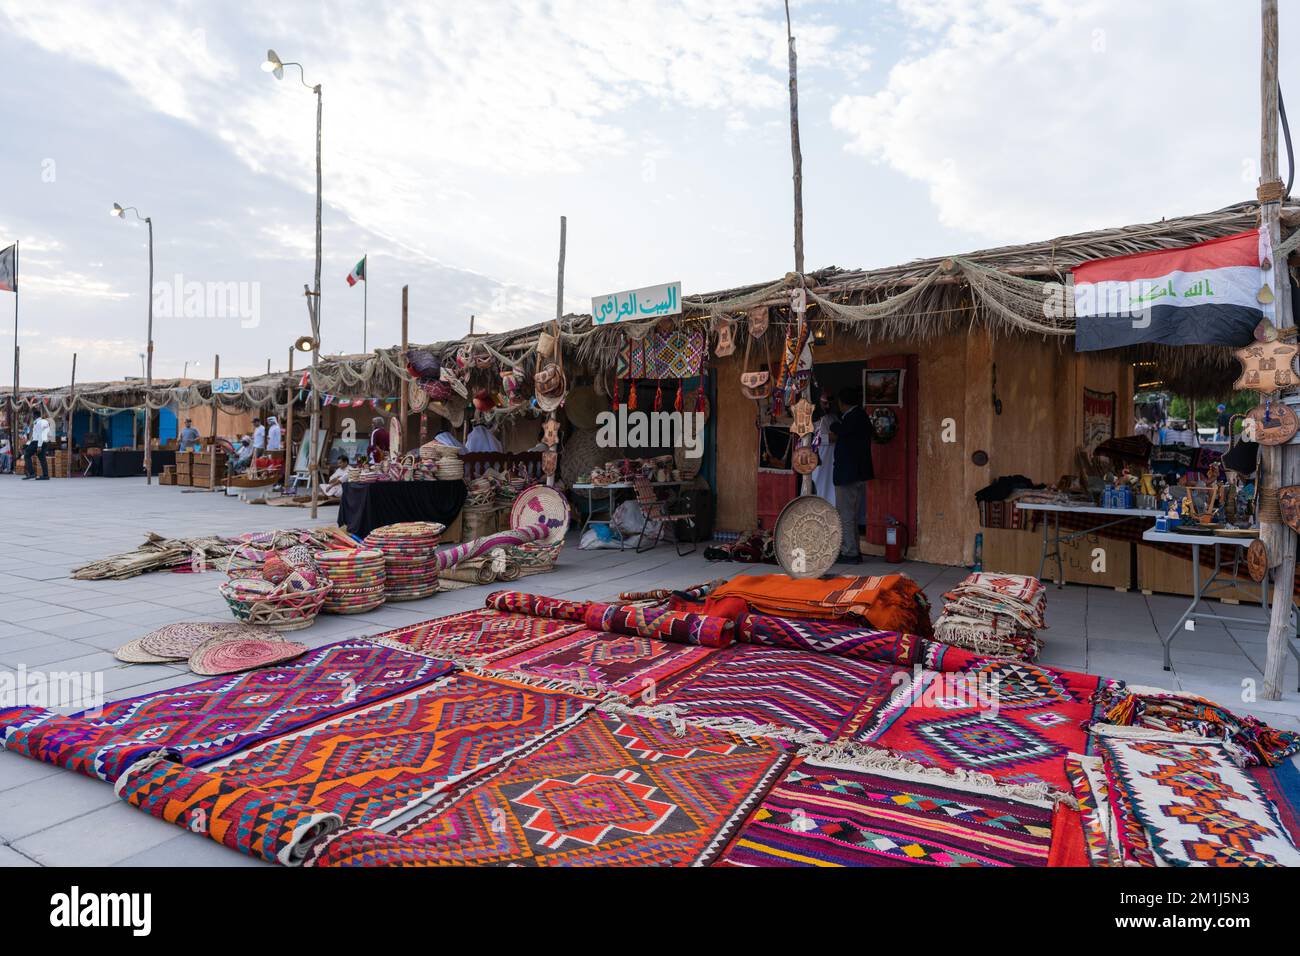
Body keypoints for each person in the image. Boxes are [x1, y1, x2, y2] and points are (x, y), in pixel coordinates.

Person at [829, 386, 875, 563]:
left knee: (846, 515)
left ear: (842, 403)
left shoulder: (853, 418)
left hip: (848, 474)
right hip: (857, 473)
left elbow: (839, 429)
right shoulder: (861, 416)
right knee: (851, 514)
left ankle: (850, 552)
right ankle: (853, 548)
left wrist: (833, 421)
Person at [811, 388, 838, 508]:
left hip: (832, 460)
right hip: (819, 458)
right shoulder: (812, 418)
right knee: (818, 486)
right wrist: (829, 438)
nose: (827, 406)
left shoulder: (833, 417)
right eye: (824, 403)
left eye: (830, 403)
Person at [24, 413, 52, 481]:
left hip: (37, 442)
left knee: (26, 455)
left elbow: (40, 435)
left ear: (34, 416)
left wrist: (39, 446)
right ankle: (46, 475)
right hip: (44, 442)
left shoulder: (38, 423)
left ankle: (32, 473)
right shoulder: (44, 422)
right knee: (42, 458)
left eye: (32, 416)